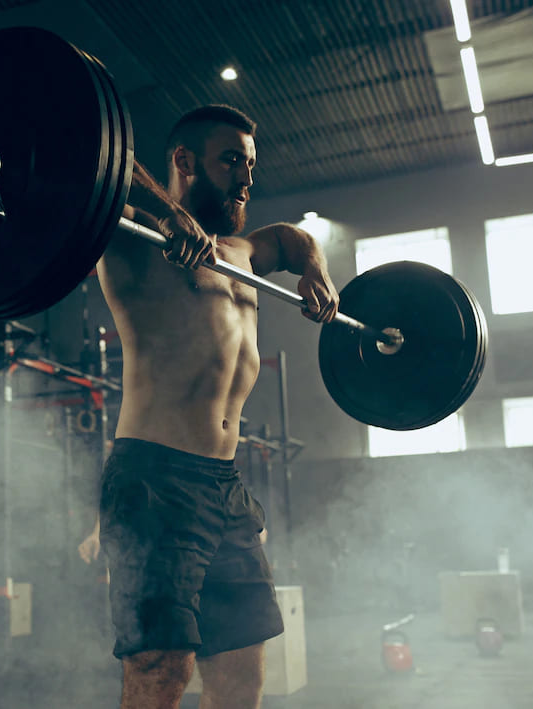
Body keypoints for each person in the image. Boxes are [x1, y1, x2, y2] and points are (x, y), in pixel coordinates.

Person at [81, 104, 339, 709]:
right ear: (183, 162)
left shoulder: (245, 252)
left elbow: (294, 239)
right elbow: (90, 168)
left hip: (224, 487)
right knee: (160, 670)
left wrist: (316, 271)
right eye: (232, 162)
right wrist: (168, 213)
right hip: (154, 482)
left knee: (242, 674)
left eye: (251, 164)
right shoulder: (132, 236)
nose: (246, 178)